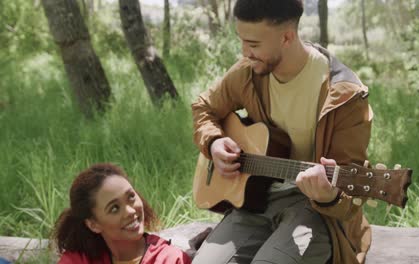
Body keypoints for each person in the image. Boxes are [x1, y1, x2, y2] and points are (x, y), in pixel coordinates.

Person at [191, 0, 373, 263]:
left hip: (316, 212)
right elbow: (203, 107)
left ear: (286, 37)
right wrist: (214, 142)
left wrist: (329, 195)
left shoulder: (345, 95)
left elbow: (352, 191)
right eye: (241, 40)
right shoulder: (247, 73)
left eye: (253, 44)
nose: (244, 52)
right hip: (256, 200)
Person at [52, 163, 191, 264]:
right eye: (114, 208)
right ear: (93, 224)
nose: (130, 211)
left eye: (131, 197)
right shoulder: (79, 260)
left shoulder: (169, 260)